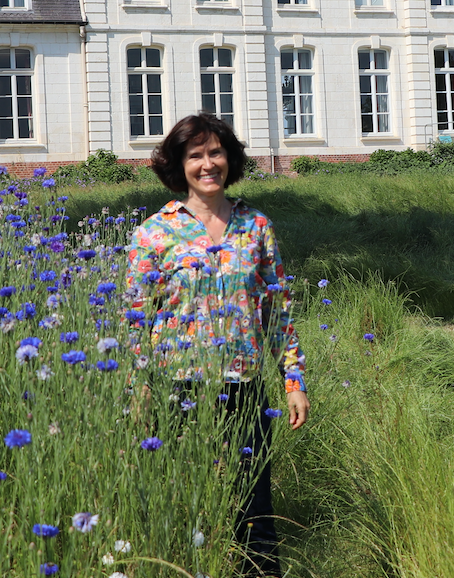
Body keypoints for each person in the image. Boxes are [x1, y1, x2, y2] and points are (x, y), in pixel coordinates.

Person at [126, 112, 308, 576]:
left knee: (255, 511)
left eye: (215, 153)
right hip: (174, 388)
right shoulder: (154, 232)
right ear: (178, 165)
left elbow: (277, 309)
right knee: (181, 504)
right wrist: (137, 385)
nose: (208, 164)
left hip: (243, 388)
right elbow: (133, 317)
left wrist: (293, 379)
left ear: (229, 159)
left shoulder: (256, 227)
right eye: (195, 156)